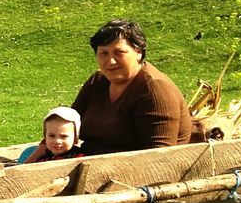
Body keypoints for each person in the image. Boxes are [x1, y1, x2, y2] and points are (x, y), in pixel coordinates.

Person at [67, 18, 192, 156]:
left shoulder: (155, 90)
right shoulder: (98, 81)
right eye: (103, 53)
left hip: (133, 170)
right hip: (88, 160)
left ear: (138, 52)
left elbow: (159, 156)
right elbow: (66, 123)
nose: (111, 61)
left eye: (119, 52)